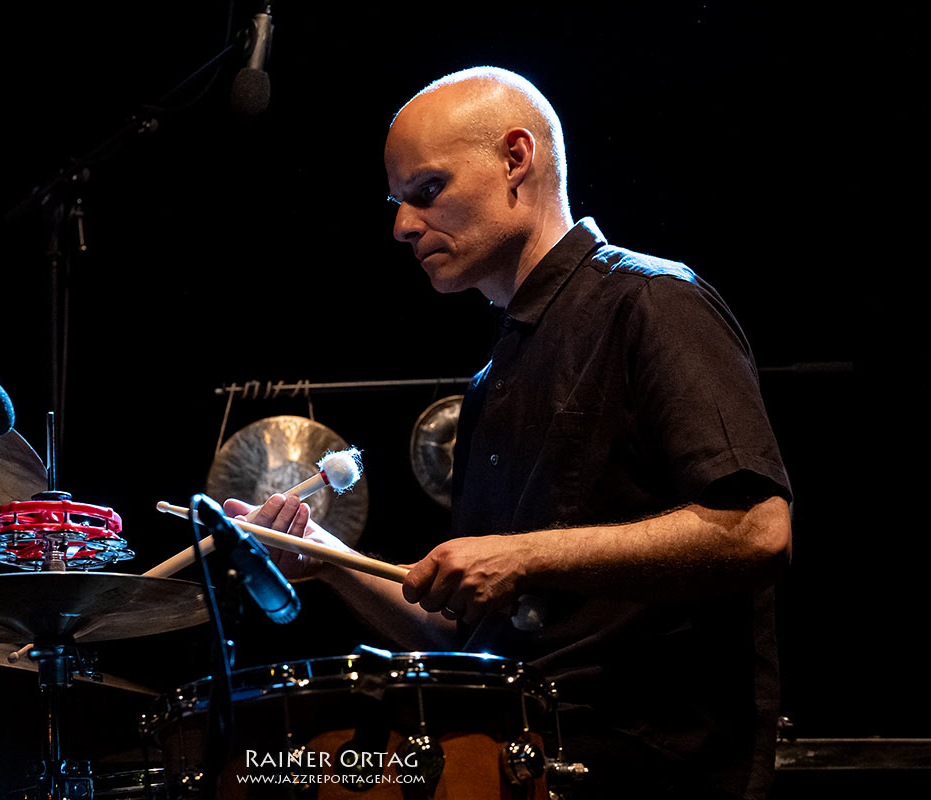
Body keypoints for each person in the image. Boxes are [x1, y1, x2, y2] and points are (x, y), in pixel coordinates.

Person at [225, 67, 792, 799]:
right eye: (397, 203)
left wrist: (523, 555)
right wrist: (329, 558)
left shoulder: (652, 302)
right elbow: (467, 641)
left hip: (652, 772)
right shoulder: (494, 380)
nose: (401, 225)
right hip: (522, 766)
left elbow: (757, 531)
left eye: (426, 192)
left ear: (516, 159)